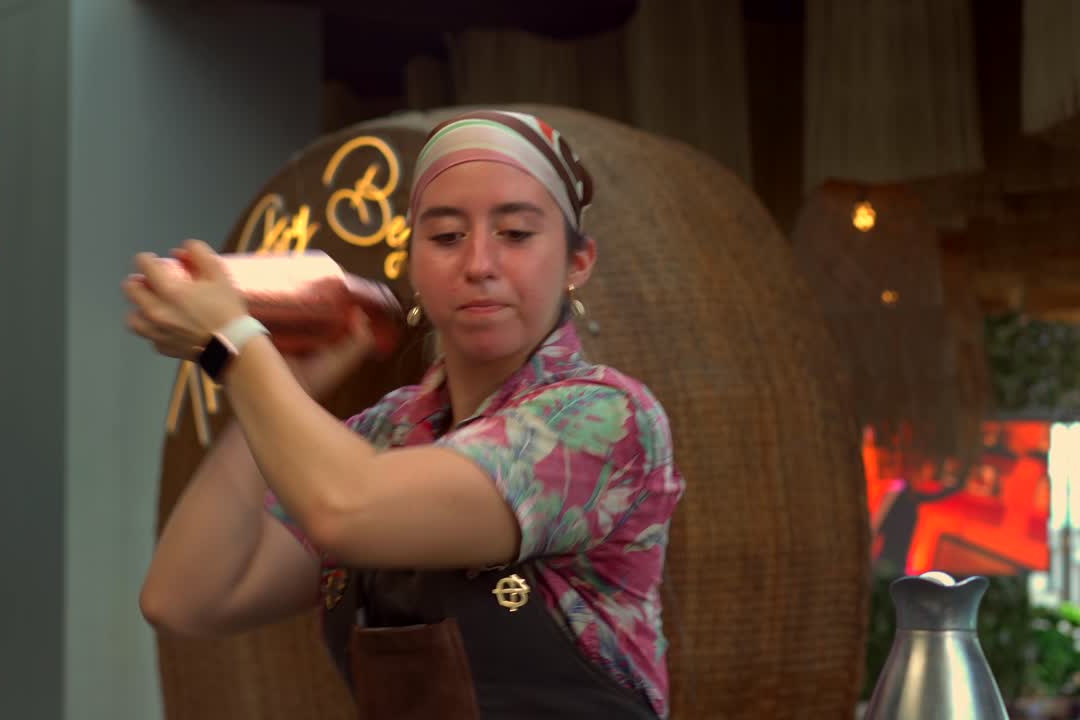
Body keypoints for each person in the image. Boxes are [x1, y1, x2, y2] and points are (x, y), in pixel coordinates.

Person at [127, 109, 685, 719]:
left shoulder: (604, 418)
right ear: (414, 261)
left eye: (517, 234)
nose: (479, 264)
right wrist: (283, 388)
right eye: (445, 236)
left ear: (578, 262)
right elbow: (186, 596)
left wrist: (232, 343)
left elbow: (348, 506)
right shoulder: (385, 432)